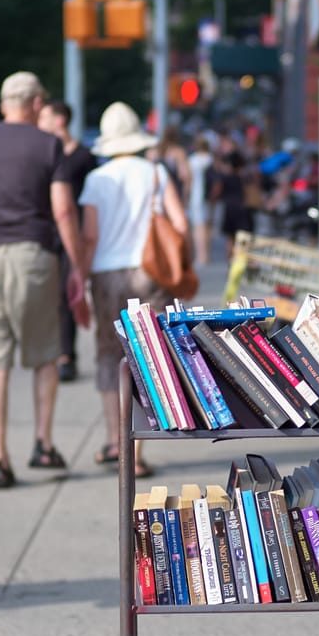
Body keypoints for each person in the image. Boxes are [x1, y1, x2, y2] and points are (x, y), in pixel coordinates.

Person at [0, 71, 86, 490]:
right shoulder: (49, 145)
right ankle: (43, 444)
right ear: (34, 103)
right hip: (32, 257)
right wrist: (77, 267)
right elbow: (63, 211)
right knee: (45, 354)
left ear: (3, 103)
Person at [78, 102, 189, 477]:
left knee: (109, 357)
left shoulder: (97, 179)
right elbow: (181, 224)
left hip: (106, 273)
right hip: (150, 271)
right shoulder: (156, 173)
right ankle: (138, 453)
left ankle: (115, 441)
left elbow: (89, 235)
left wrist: (79, 273)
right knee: (148, 359)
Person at [38, 98, 99, 382]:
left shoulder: (84, 157)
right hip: (44, 231)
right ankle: (50, 352)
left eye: (45, 117)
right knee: (45, 295)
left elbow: (90, 202)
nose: (40, 122)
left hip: (71, 232)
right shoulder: (42, 153)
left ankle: (66, 355)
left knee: (66, 294)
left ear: (60, 119)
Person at [187, 135, 214, 264]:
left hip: (197, 196)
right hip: (211, 197)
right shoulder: (211, 159)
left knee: (198, 226)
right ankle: (207, 253)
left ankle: (201, 255)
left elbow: (188, 180)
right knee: (208, 225)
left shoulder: (193, 161)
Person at [157, 125, 191, 202]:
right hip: (173, 193)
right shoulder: (179, 152)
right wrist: (185, 198)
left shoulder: (154, 152)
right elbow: (184, 176)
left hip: (157, 194)